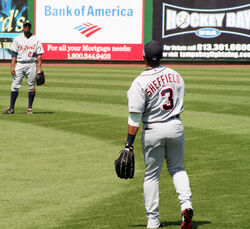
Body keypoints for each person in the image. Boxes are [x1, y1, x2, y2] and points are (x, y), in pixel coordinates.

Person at [125, 40, 193, 229]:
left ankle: (153, 220)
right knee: (178, 168)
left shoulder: (140, 81)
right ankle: (186, 205)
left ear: (143, 57)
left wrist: (128, 144)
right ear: (161, 56)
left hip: (153, 129)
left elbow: (134, 117)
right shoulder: (176, 75)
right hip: (175, 125)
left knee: (152, 176)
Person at [2, 20, 44, 115]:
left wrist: (39, 70)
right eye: (26, 26)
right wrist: (12, 67)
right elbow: (14, 54)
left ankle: (29, 108)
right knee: (15, 86)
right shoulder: (17, 39)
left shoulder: (35, 39)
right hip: (20, 64)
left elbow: (39, 56)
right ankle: (11, 108)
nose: (27, 27)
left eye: (29, 26)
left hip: (31, 64)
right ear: (23, 27)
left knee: (31, 86)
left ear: (30, 27)